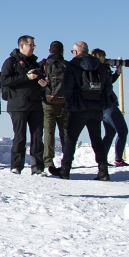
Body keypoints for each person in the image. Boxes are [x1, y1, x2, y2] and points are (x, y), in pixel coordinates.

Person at [59, 41, 112, 180]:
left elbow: (68, 88)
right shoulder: (100, 66)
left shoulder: (72, 65)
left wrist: (69, 105)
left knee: (70, 139)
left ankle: (65, 170)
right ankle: (103, 171)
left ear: (76, 52)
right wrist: (102, 103)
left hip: (78, 108)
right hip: (96, 108)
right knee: (97, 140)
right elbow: (108, 87)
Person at [0, 36, 46, 174]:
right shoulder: (11, 62)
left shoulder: (35, 63)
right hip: (18, 105)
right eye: (30, 45)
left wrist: (42, 84)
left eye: (33, 45)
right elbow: (4, 80)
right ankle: (16, 166)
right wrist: (26, 77)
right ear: (22, 46)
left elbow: (39, 82)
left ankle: (37, 167)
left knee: (37, 136)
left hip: (36, 104)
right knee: (20, 136)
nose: (32, 47)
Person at [91, 49, 129, 166]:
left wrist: (117, 73)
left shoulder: (93, 70)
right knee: (123, 131)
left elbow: (108, 82)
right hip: (109, 105)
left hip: (100, 105)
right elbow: (106, 84)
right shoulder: (101, 69)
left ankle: (102, 159)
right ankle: (118, 159)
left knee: (110, 132)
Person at [40, 41, 72, 174]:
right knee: (65, 133)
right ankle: (66, 160)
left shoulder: (44, 64)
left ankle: (48, 161)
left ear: (49, 51)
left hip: (48, 102)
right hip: (64, 103)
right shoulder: (68, 65)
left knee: (49, 132)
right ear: (62, 51)